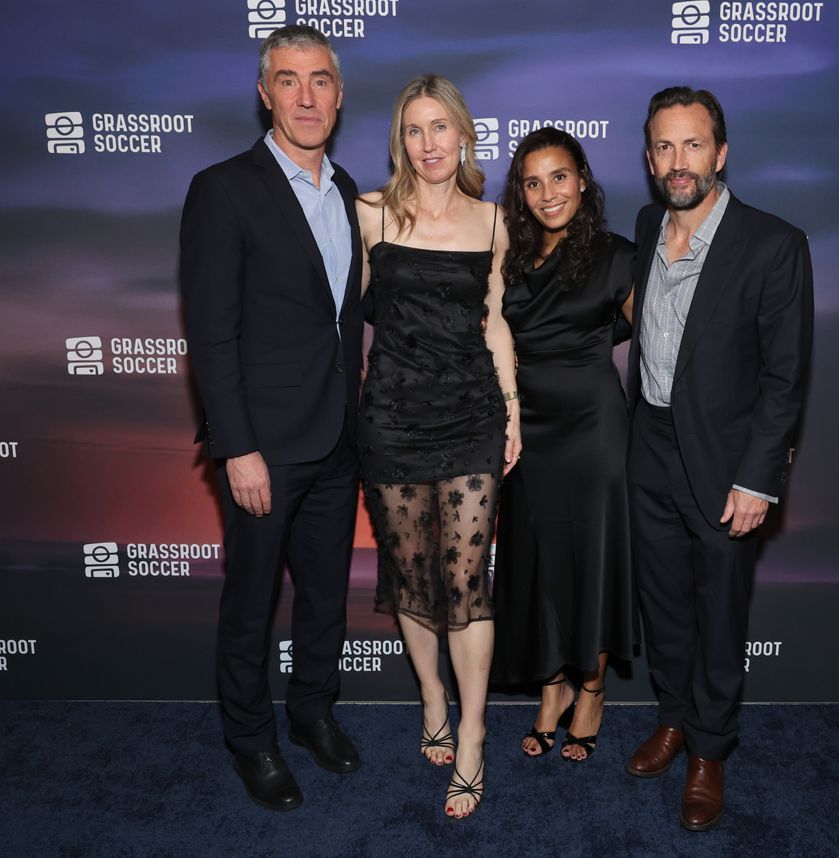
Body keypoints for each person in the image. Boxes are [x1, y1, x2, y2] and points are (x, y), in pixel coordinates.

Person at [180, 25, 363, 812]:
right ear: (265, 94)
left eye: (319, 79)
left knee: (325, 594)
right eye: (288, 80)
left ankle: (313, 711)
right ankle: (251, 740)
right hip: (264, 446)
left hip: (338, 437)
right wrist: (238, 447)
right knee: (252, 601)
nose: (306, 95)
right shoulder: (223, 189)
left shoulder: (352, 191)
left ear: (339, 92)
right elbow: (211, 333)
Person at [624, 86, 813, 831]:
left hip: (726, 461)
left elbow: (784, 377)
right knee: (664, 603)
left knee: (720, 612)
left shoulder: (773, 244)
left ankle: (709, 749)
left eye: (693, 145)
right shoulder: (645, 225)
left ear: (721, 153)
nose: (679, 162)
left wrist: (758, 479)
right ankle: (673, 718)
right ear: (649, 159)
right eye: (664, 147)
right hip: (650, 447)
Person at [355, 74, 520, 820]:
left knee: (465, 579)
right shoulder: (369, 216)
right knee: (413, 572)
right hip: (390, 413)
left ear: (464, 134)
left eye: (441, 128)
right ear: (402, 140)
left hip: (470, 416)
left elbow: (494, 323)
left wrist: (512, 413)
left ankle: (475, 734)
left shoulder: (492, 222)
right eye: (415, 131)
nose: (429, 144)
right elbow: (344, 315)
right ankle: (432, 701)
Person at [491, 128, 635, 763]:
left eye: (559, 177)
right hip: (527, 428)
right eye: (532, 182)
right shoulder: (507, 258)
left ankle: (593, 689)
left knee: (593, 558)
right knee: (536, 558)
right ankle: (550, 688)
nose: (548, 193)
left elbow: (661, 340)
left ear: (582, 178)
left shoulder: (617, 255)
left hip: (596, 428)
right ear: (520, 193)